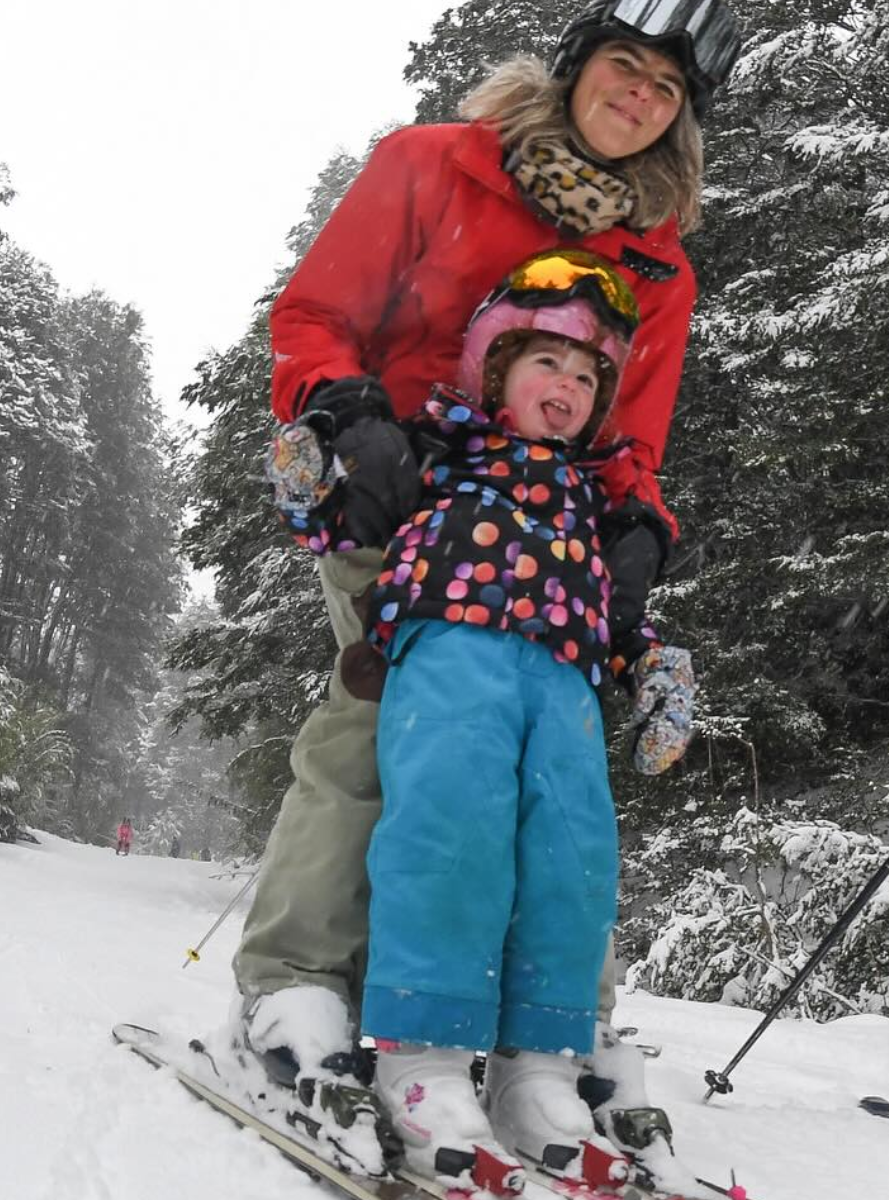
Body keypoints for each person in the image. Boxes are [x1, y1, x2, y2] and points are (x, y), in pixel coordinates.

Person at [232, 0, 742, 1179]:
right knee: (375, 732)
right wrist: (349, 416)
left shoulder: (656, 263)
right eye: (625, 67)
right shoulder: (436, 164)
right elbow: (314, 315)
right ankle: (298, 983)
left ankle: (544, 1033)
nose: (639, 97)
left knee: (550, 782)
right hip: (398, 494)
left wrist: (635, 527)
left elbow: (632, 434)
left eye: (666, 90)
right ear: (577, 65)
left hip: (544, 536)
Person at [281, 251, 693, 1183]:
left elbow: (622, 615)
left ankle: (537, 1065)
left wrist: (651, 666)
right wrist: (313, 471)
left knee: (572, 861)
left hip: (566, 682)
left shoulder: (595, 501)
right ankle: (423, 1057)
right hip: (452, 655)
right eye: (548, 362)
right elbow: (340, 521)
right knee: (451, 835)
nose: (570, 387)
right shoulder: (440, 453)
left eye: (589, 377)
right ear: (493, 368)